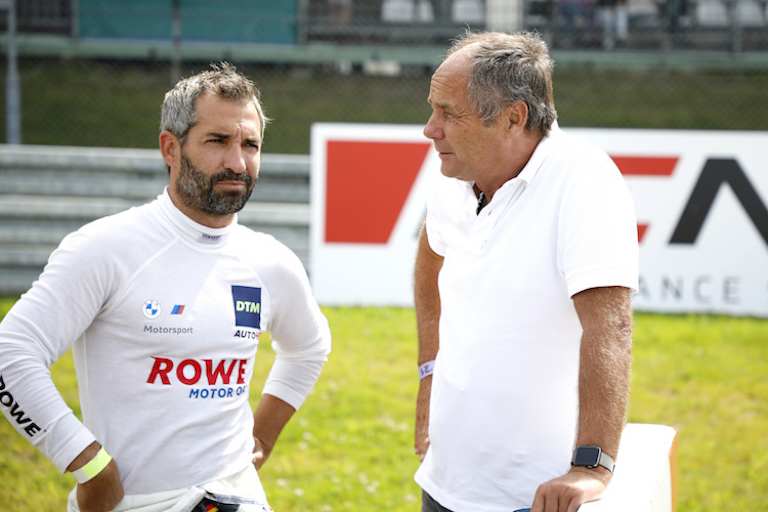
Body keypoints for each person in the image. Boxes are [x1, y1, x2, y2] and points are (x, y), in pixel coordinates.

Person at [0, 63, 331, 512]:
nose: (237, 162)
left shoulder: (271, 261)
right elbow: (10, 353)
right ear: (170, 148)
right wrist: (88, 464)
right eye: (218, 141)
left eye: (250, 144)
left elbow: (309, 348)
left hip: (236, 496)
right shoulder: (106, 248)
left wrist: (263, 438)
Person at [413, 31, 638, 512]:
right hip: (443, 481)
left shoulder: (583, 179)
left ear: (514, 117)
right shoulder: (453, 176)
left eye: (448, 113)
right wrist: (428, 372)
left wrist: (591, 466)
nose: (430, 129)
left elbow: (610, 326)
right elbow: (430, 257)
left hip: (535, 495)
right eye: (433, 109)